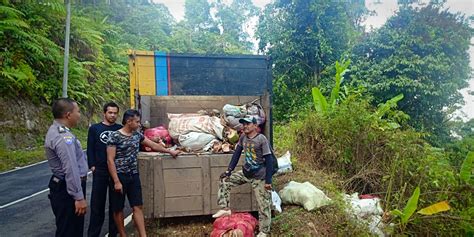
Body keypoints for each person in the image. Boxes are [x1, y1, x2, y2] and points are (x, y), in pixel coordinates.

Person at [107, 109, 180, 237]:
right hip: (119, 176)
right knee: (118, 208)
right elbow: (110, 160)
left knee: (137, 205)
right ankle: (123, 234)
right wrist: (116, 181)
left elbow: (153, 145)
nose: (139, 124)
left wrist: (170, 152)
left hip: (133, 175)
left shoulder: (137, 135)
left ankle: (143, 235)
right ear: (129, 122)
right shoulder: (114, 136)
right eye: (137, 121)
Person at [212, 117, 273, 237]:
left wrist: (268, 180)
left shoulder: (261, 139)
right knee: (225, 180)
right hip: (246, 173)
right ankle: (225, 208)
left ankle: (264, 231)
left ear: (255, 126)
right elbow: (236, 154)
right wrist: (229, 171)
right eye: (243, 124)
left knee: (263, 204)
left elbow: (269, 160)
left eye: (248, 124)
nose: (245, 126)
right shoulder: (243, 138)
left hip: (259, 176)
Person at [45, 98, 88, 237]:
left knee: (69, 229)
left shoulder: (57, 131)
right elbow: (71, 168)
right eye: (78, 111)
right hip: (66, 191)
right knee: (70, 231)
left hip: (64, 187)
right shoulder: (63, 137)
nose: (79, 115)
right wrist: (79, 197)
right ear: (68, 115)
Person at [87, 102, 122, 237]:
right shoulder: (95, 129)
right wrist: (92, 166)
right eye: (110, 112)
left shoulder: (120, 129)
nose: (112, 115)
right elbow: (90, 148)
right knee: (97, 206)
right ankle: (93, 234)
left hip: (116, 172)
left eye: (115, 113)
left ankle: (114, 233)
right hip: (100, 171)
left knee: (116, 206)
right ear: (104, 113)